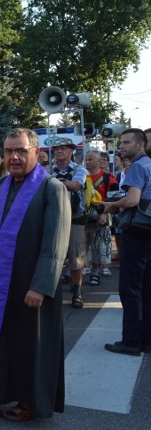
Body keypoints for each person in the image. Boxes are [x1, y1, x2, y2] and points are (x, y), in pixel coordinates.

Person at [0, 128, 70, 422]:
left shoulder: (51, 188)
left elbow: (55, 243)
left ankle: (30, 400)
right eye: (9, 151)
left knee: (29, 342)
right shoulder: (0, 186)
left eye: (20, 150)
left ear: (37, 152)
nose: (13, 157)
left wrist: (42, 286)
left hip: (30, 282)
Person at [103, 129, 151, 356]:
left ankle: (130, 342)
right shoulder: (150, 164)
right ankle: (146, 340)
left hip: (137, 230)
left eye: (126, 142)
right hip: (149, 231)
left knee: (130, 288)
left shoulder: (139, 166)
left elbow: (132, 200)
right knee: (146, 288)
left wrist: (111, 205)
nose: (121, 146)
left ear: (140, 145)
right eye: (120, 142)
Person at [49, 137, 88, 309]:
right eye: (57, 149)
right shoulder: (48, 169)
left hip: (75, 218)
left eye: (64, 148)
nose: (59, 151)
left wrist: (54, 183)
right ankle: (53, 292)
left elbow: (75, 185)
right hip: (55, 218)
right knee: (53, 255)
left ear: (72, 151)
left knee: (76, 256)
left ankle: (77, 292)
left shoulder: (80, 169)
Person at [83, 151, 118, 285]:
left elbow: (114, 198)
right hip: (83, 217)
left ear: (99, 161)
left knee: (98, 245)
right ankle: (83, 268)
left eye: (90, 159)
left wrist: (104, 214)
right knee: (81, 246)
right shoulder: (82, 176)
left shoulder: (109, 177)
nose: (87, 162)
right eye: (86, 159)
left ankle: (96, 272)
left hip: (101, 217)